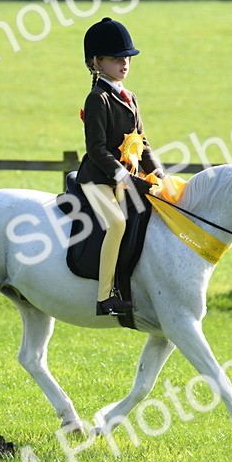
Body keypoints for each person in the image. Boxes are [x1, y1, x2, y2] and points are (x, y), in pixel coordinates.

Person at [75, 17, 163, 316]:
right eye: (116, 59)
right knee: (117, 223)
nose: (124, 63)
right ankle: (104, 297)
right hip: (98, 179)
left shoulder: (130, 97)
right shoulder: (98, 98)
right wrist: (124, 178)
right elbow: (96, 149)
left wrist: (160, 174)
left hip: (127, 178)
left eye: (126, 58)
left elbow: (142, 142)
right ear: (97, 62)